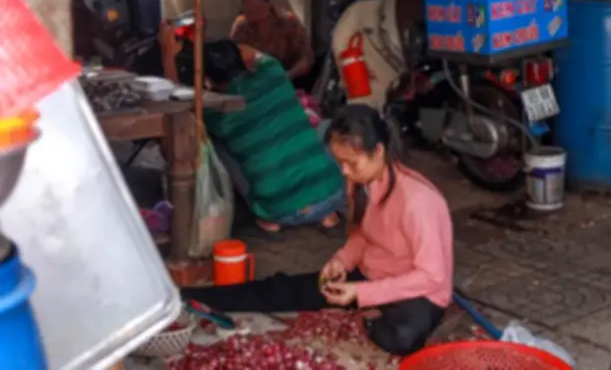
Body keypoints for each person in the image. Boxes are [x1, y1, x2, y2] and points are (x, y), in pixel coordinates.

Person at [181, 105, 454, 356]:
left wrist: (362, 294)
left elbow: (432, 276)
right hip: (370, 277)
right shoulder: (362, 183)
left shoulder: (418, 202)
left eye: (352, 163)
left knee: (400, 336)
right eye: (340, 163)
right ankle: (191, 296)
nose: (344, 172)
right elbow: (363, 235)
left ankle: (370, 311)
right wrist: (341, 261)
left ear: (378, 152)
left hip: (416, 291)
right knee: (285, 290)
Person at [159, 22, 344, 235]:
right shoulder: (273, 71)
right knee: (319, 128)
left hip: (280, 210)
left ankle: (267, 218)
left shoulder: (218, 113)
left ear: (208, 81)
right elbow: (252, 53)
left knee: (217, 144)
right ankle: (325, 212)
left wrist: (168, 54)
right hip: (334, 194)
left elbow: (176, 101)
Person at [230, 0, 314, 80]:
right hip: (255, 78)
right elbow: (233, 60)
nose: (256, 16)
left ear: (268, 3)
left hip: (288, 76)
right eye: (250, 12)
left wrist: (288, 76)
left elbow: (306, 58)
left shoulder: (288, 22)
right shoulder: (241, 26)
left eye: (258, 9)